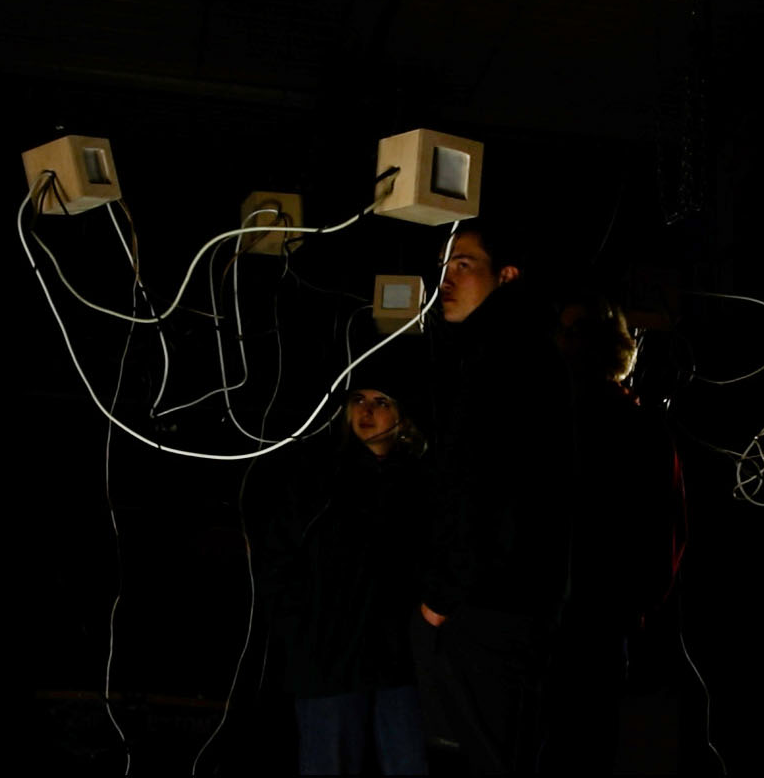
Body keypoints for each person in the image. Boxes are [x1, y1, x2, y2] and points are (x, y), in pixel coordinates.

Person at [415, 223, 577, 774]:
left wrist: (443, 594)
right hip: (514, 601)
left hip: (493, 605)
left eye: (463, 264)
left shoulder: (501, 359)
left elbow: (487, 489)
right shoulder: (519, 352)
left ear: (505, 276)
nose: (446, 279)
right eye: (444, 266)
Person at [534, 290, 688, 772]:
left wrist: (630, 603)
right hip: (565, 616)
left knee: (574, 744)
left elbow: (663, 528)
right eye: (563, 332)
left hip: (590, 617)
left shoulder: (629, 428)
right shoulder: (557, 421)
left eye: (575, 332)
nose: (565, 342)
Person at [262, 351, 436, 776]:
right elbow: (279, 553)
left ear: (402, 415)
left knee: (407, 761)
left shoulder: (419, 482)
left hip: (397, 661)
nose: (366, 411)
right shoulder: (318, 475)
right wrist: (298, 627)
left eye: (380, 402)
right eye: (358, 399)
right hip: (329, 658)